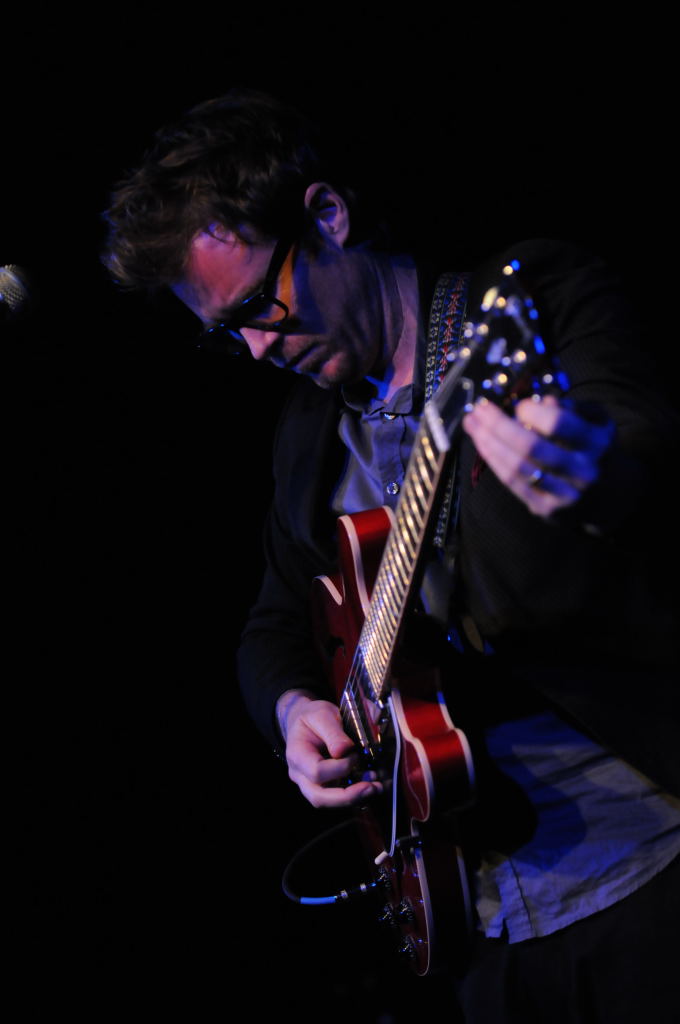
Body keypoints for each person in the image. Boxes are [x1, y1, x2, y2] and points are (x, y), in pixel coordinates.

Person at [103, 89, 680, 1022]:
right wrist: (295, 711)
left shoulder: (528, 300)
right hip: (480, 922)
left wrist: (591, 471)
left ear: (327, 217)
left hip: (648, 866)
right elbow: (270, 629)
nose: (256, 348)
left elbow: (642, 447)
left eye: (259, 305)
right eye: (226, 332)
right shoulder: (306, 440)